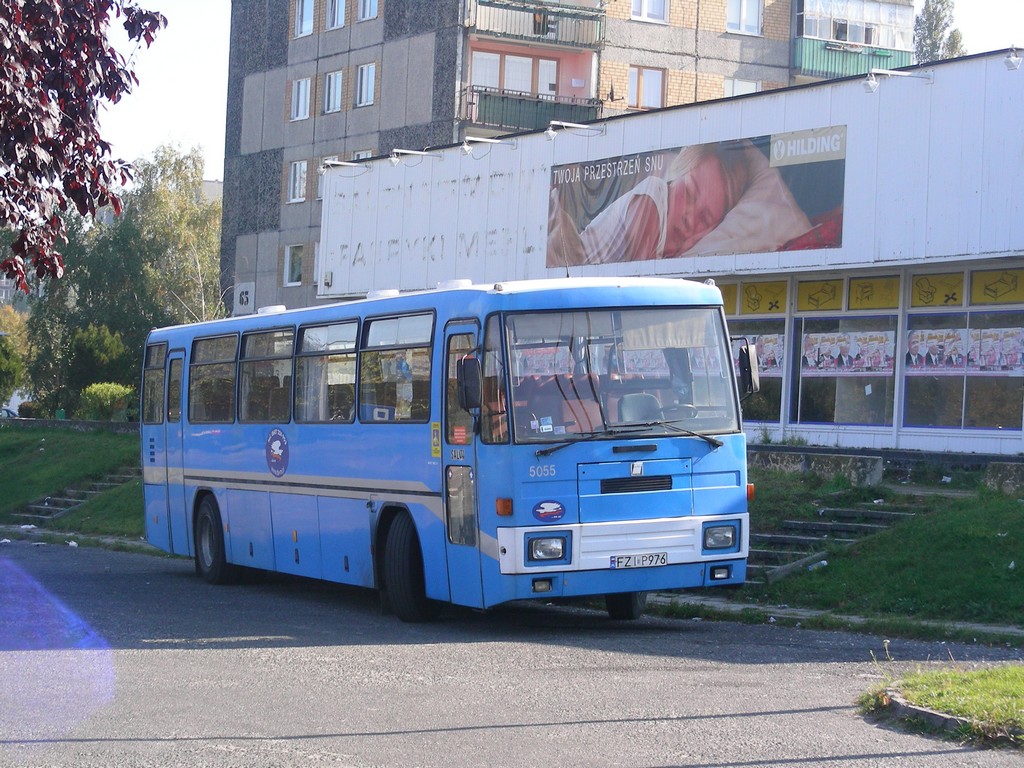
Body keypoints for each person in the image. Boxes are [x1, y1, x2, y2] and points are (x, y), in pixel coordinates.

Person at [547, 140, 812, 266]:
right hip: (567, 261)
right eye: (691, 193)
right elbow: (638, 284)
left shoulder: (681, 245)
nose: (690, 216)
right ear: (678, 175)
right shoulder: (652, 198)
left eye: (705, 217)